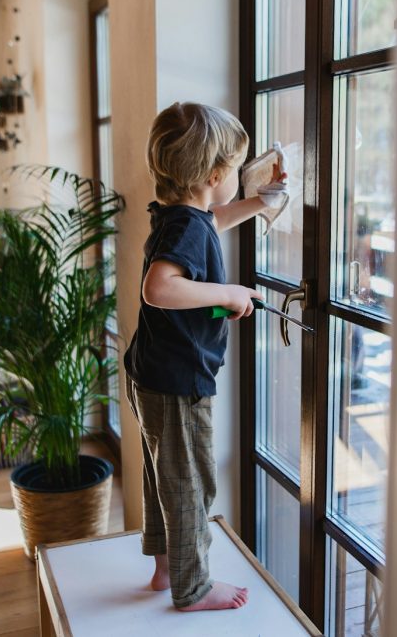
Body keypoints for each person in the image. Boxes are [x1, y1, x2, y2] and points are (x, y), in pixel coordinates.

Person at [123, 102, 287, 611]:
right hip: (177, 381)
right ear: (216, 174)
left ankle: (165, 565)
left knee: (163, 475)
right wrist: (227, 292)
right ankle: (192, 588)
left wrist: (258, 203)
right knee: (189, 481)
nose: (239, 175)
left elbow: (213, 219)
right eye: (237, 169)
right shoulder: (188, 229)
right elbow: (160, 287)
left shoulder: (181, 216)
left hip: (149, 371)